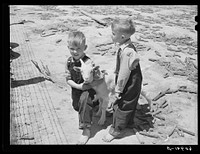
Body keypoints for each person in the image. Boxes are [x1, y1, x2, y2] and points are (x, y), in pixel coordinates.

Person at [103, 18, 143, 142]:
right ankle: (128, 122)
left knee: (123, 104)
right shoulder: (124, 46)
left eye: (114, 34)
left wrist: (118, 91)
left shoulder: (127, 52)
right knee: (130, 102)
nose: (111, 35)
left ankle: (117, 129)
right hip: (131, 80)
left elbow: (124, 75)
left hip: (129, 82)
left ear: (122, 36)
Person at [65, 31, 103, 144]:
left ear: (85, 47)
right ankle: (92, 106)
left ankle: (86, 129)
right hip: (77, 88)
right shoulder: (69, 62)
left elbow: (97, 79)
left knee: (85, 101)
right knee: (77, 106)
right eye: (72, 49)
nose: (75, 52)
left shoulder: (88, 62)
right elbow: (68, 79)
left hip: (89, 89)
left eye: (79, 49)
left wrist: (95, 75)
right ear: (68, 47)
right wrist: (78, 86)